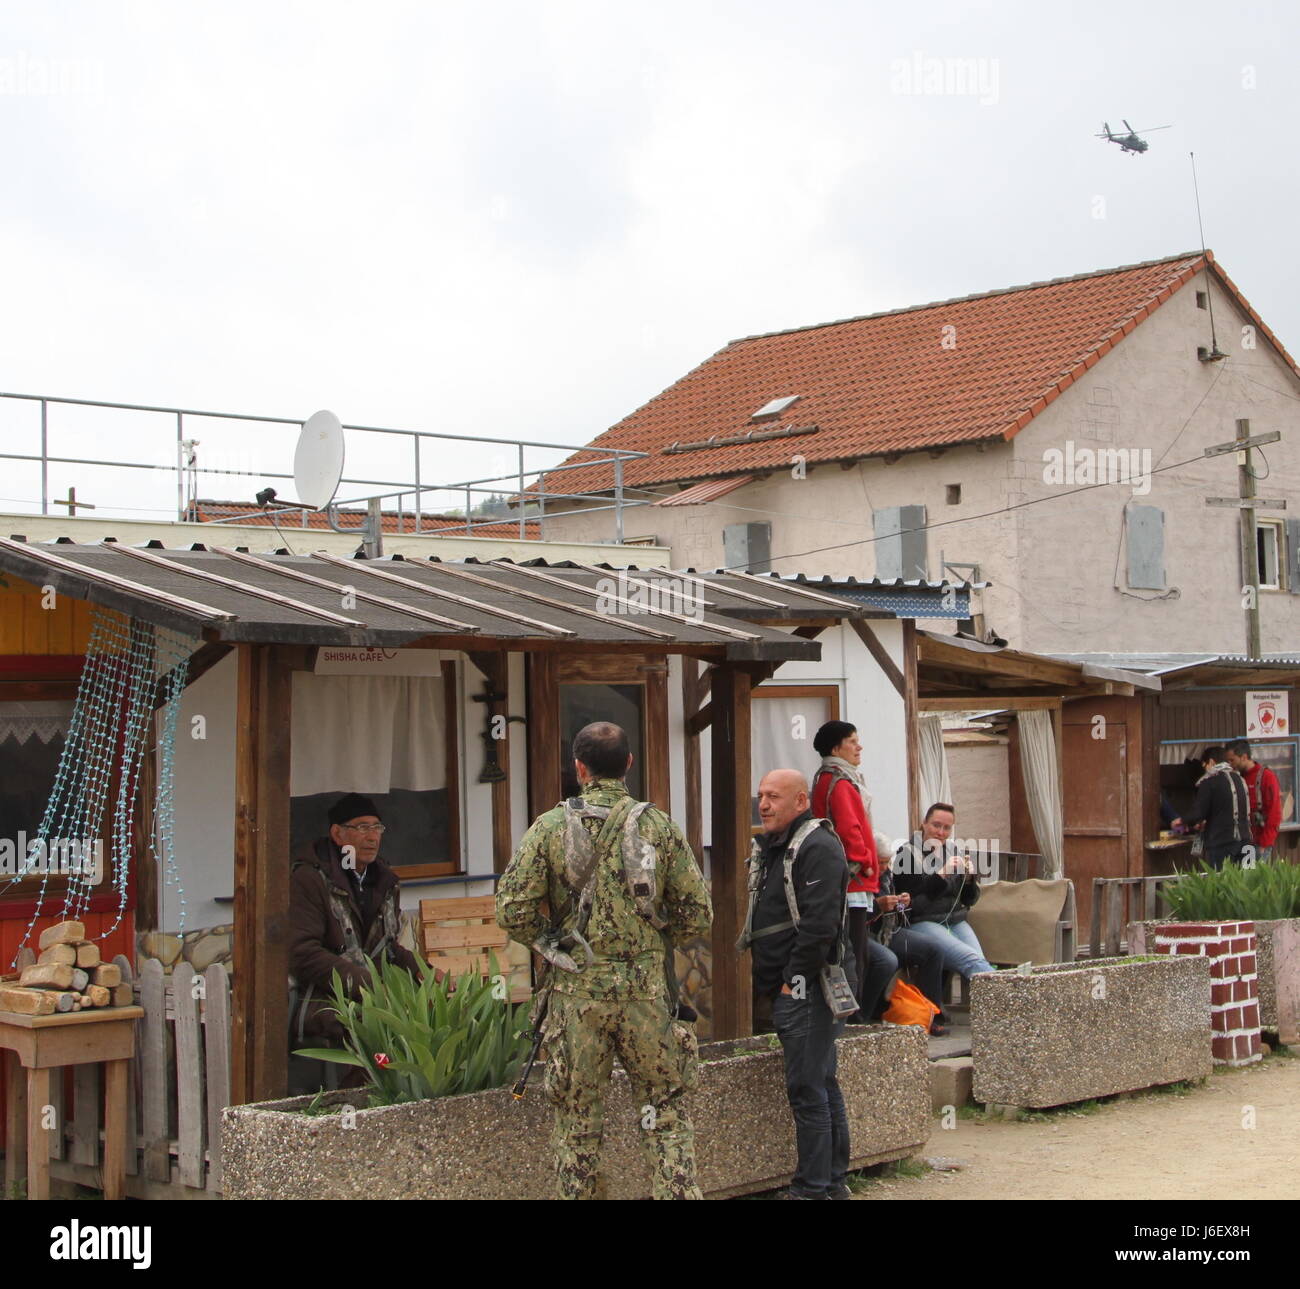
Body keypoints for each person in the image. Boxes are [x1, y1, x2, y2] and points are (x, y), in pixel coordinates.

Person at [496, 722, 712, 1201]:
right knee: (665, 1114)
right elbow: (698, 914)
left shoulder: (550, 827)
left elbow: (511, 909)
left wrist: (555, 946)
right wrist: (653, 941)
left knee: (577, 1120)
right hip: (647, 997)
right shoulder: (657, 825)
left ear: (579, 768)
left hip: (578, 997)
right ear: (629, 763)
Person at [740, 769, 853, 1200]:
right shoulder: (777, 846)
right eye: (761, 795)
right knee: (821, 1082)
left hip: (807, 989)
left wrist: (793, 983)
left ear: (801, 801)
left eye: (774, 797)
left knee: (809, 1089)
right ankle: (833, 1183)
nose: (764, 804)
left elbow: (820, 926)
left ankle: (811, 1188)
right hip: (793, 988)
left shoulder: (818, 846)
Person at [289, 793, 426, 1049]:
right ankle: (376, 1088)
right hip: (320, 998)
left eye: (377, 828)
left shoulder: (383, 881)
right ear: (338, 834)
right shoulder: (309, 879)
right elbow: (302, 954)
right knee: (385, 1025)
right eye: (362, 828)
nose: (373, 837)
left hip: (372, 994)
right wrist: (368, 985)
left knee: (435, 1012)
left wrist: (423, 971)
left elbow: (386, 947)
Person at [810, 721, 892, 1023]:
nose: (859, 747)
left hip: (848, 879)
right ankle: (853, 1022)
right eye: (853, 742)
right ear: (836, 748)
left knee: (856, 953)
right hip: (853, 881)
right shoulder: (840, 782)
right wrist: (867, 861)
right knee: (855, 955)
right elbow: (849, 829)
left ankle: (855, 1019)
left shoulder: (829, 779)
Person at [892, 803, 995, 981]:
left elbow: (968, 900)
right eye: (936, 825)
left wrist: (969, 880)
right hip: (921, 922)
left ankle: (996, 1002)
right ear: (924, 823)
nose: (940, 832)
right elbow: (912, 904)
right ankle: (1010, 997)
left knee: (979, 960)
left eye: (946, 828)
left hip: (954, 920)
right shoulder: (907, 854)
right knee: (972, 962)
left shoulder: (953, 850)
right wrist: (940, 876)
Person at [869, 829, 949, 1035]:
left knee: (933, 949)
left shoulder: (887, 875)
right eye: (881, 862)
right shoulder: (859, 874)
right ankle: (867, 1015)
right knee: (886, 959)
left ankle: (930, 1013)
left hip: (890, 931)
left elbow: (900, 913)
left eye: (887, 862)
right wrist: (878, 906)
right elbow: (853, 915)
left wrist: (903, 903)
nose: (885, 867)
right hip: (867, 934)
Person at [1171, 747, 1251, 868]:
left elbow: (1198, 813)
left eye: (1204, 765)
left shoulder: (1209, 782)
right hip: (1246, 841)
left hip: (1222, 843)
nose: (1205, 770)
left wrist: (1182, 821)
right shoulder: (1240, 779)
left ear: (1212, 762)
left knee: (1222, 882)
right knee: (1249, 881)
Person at [1226, 739, 1282, 862]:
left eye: (1232, 760)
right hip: (1239, 840)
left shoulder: (1266, 777)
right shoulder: (1236, 777)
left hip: (1257, 842)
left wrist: (1264, 844)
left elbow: (1275, 813)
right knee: (1236, 879)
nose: (1230, 764)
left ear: (1244, 757)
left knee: (1251, 878)